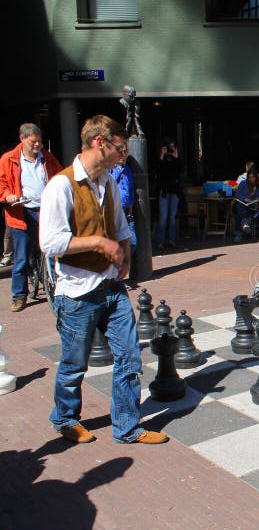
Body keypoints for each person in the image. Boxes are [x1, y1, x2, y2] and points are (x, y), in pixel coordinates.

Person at [39, 114, 168, 444]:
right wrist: (98, 242)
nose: (123, 155)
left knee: (130, 356)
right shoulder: (61, 186)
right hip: (76, 291)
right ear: (100, 143)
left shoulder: (108, 181)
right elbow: (50, 243)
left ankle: (127, 426)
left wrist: (123, 251)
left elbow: (121, 227)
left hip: (111, 287)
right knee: (74, 364)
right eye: (121, 148)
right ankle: (65, 418)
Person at [0, 123, 63, 312]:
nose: (37, 145)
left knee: (51, 250)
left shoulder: (48, 158)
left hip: (44, 211)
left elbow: (60, 177)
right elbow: (2, 184)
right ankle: (19, 296)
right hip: (21, 212)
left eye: (39, 141)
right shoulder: (8, 159)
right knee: (21, 257)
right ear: (23, 139)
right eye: (33, 142)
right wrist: (8, 196)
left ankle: (58, 288)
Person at [232, 167, 259, 241]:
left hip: (252, 208)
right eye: (250, 177)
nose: (251, 179)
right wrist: (244, 199)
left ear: (256, 178)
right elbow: (237, 194)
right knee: (240, 206)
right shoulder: (243, 184)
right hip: (240, 206)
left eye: (253, 177)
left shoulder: (258, 188)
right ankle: (244, 225)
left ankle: (246, 226)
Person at [154, 137, 182, 249]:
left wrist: (176, 157)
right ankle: (160, 241)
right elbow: (158, 171)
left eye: (173, 147)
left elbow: (180, 171)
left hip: (174, 190)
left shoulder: (176, 159)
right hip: (164, 190)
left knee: (172, 216)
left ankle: (172, 240)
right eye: (168, 147)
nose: (170, 150)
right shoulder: (161, 159)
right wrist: (161, 156)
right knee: (164, 216)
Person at [109, 142, 136, 253]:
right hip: (115, 211)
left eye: (125, 152)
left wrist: (130, 210)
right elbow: (110, 183)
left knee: (132, 243)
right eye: (120, 151)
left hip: (126, 211)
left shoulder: (128, 170)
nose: (122, 154)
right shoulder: (110, 169)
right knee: (119, 244)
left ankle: (126, 267)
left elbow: (131, 190)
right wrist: (118, 169)